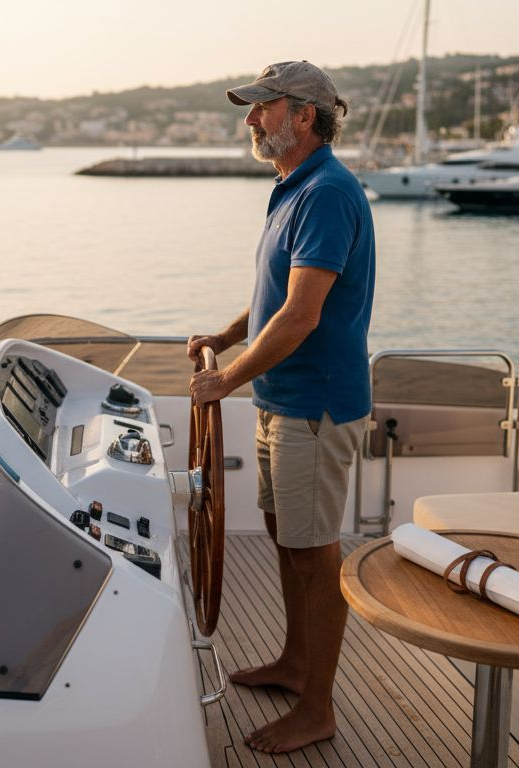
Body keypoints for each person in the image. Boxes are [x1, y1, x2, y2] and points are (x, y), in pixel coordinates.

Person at [188, 60, 374, 755]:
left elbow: (299, 318)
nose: (252, 119)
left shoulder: (326, 192)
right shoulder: (292, 189)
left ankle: (318, 707)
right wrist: (227, 337)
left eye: (266, 107)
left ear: (306, 116)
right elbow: (275, 295)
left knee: (313, 554)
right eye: (254, 107)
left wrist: (225, 378)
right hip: (282, 403)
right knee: (286, 543)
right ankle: (296, 665)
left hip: (314, 409)